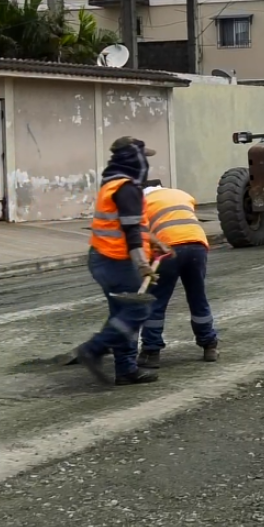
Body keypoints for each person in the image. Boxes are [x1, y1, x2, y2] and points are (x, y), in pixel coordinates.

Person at [74, 136, 167, 386]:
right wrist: (143, 264)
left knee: (122, 313)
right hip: (118, 261)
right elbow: (131, 233)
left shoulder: (112, 184)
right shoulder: (127, 188)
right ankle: (93, 350)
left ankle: (126, 370)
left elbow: (129, 224)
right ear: (133, 159)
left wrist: (153, 240)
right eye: (143, 158)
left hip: (101, 259)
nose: (146, 163)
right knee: (138, 308)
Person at [136, 180, 219, 367]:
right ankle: (209, 346)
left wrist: (146, 267)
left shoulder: (141, 201)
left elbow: (141, 237)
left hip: (168, 249)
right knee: (198, 297)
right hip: (197, 245)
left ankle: (151, 352)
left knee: (156, 301)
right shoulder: (180, 194)